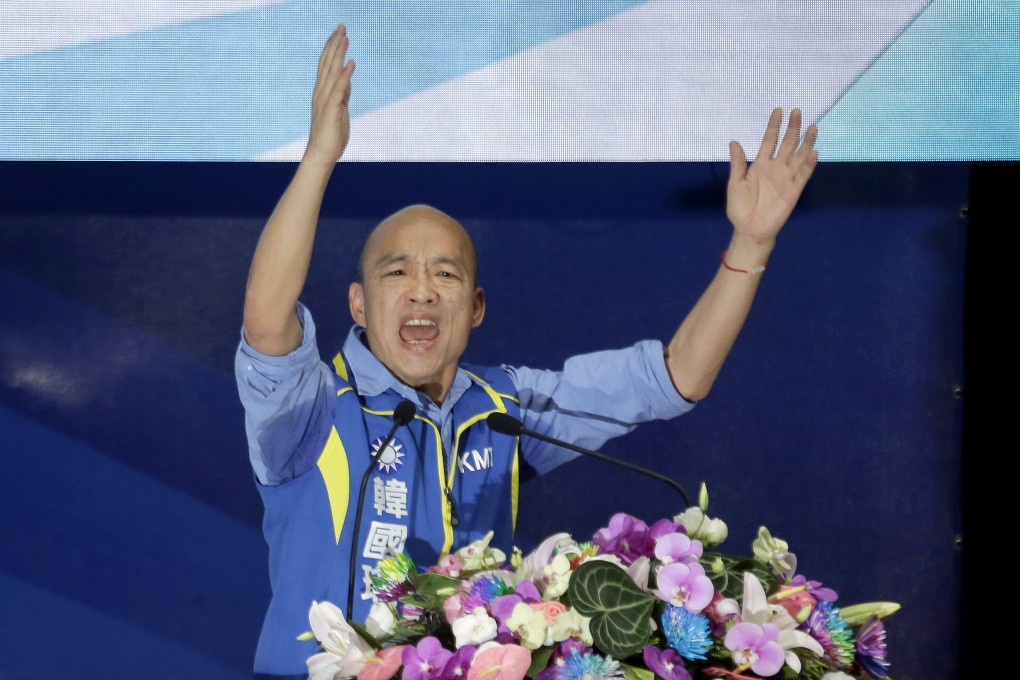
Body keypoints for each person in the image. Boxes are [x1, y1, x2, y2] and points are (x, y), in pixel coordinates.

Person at [235, 23, 818, 678]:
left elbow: (677, 376)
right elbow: (265, 323)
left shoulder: (505, 407)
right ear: (359, 305)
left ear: (476, 308)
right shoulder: (310, 407)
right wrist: (318, 158)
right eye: (397, 273)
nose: (423, 291)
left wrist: (752, 244)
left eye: (446, 275)